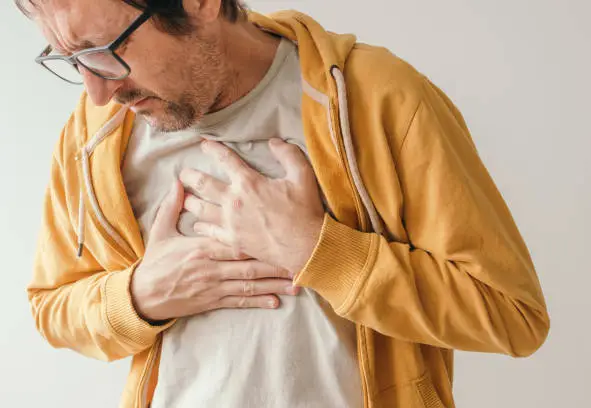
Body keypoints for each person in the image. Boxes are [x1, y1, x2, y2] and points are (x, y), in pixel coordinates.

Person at [19, 0, 550, 407]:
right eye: (72, 59)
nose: (96, 91)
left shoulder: (380, 97)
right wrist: (138, 296)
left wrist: (320, 251)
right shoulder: (93, 137)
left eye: (107, 50)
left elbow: (512, 315)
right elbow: (52, 306)